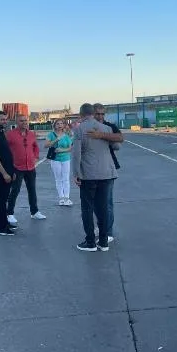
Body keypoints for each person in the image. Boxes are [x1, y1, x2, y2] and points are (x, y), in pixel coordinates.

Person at [71, 103, 117, 252]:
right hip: (106, 173)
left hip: (89, 174)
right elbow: (116, 146)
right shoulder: (106, 128)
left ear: (81, 114)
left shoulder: (79, 129)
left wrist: (76, 174)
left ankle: (90, 242)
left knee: (87, 209)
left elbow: (76, 154)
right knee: (103, 208)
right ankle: (103, 242)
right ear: (93, 113)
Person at [91, 103, 124, 243]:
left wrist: (101, 135)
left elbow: (120, 138)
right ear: (92, 114)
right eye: (97, 114)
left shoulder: (109, 126)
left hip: (107, 168)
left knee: (107, 202)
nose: (100, 116)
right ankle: (101, 226)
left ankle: (108, 232)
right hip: (91, 169)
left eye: (102, 114)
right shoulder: (87, 127)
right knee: (94, 202)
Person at [6, 114, 46, 224]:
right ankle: (9, 213)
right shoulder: (10, 135)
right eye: (21, 121)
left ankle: (34, 212)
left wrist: (35, 157)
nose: (24, 122)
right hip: (17, 168)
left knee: (32, 190)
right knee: (15, 190)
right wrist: (9, 165)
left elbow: (35, 147)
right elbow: (5, 150)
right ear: (16, 122)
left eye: (25, 120)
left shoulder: (31, 134)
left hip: (30, 167)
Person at [45, 119, 73, 206]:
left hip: (66, 158)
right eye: (58, 124)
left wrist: (62, 150)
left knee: (66, 178)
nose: (60, 125)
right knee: (58, 179)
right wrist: (56, 139)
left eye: (61, 123)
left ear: (64, 125)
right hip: (55, 159)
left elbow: (71, 148)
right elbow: (46, 145)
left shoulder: (67, 135)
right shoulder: (51, 134)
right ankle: (61, 198)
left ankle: (67, 198)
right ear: (55, 125)